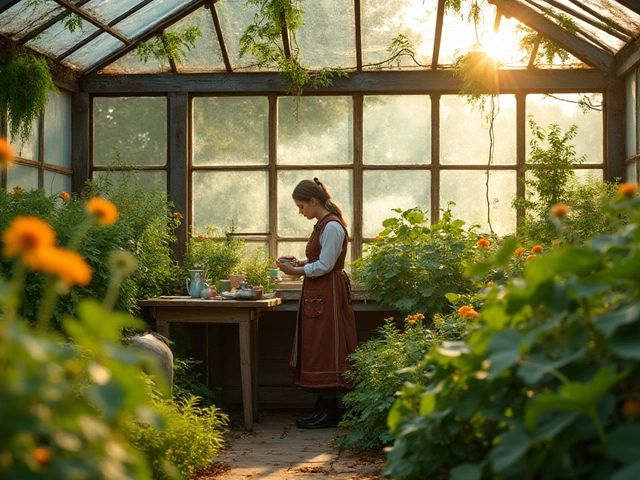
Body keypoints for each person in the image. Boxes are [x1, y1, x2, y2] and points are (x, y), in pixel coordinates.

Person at [276, 178, 358, 429]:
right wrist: (298, 263)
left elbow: (326, 265)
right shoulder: (322, 226)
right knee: (318, 346)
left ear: (314, 201)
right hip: (319, 291)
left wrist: (295, 272)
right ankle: (323, 406)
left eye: (302, 206)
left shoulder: (332, 227)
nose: (301, 212)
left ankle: (330, 411)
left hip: (329, 293)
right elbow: (320, 259)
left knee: (328, 346)